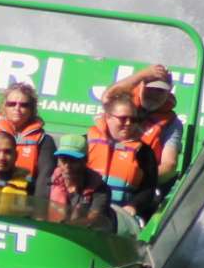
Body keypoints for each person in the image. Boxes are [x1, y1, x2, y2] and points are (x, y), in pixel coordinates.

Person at [103, 63, 183, 183]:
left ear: (169, 92)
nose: (154, 95)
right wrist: (143, 74)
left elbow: (169, 165)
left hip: (139, 182)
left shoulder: (173, 124)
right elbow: (108, 96)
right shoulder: (123, 104)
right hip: (103, 174)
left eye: (160, 91)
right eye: (150, 88)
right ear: (141, 85)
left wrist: (138, 181)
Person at [87, 93, 159, 222]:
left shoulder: (144, 152)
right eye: (123, 118)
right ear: (108, 117)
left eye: (133, 119)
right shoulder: (86, 142)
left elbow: (148, 189)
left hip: (120, 215)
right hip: (86, 209)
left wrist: (133, 206)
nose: (128, 123)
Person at [0, 82, 55, 197]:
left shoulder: (44, 141)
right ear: (4, 107)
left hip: (25, 198)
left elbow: (45, 180)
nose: (17, 108)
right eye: (12, 104)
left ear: (32, 109)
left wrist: (38, 209)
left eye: (24, 105)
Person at [45, 133, 114, 230]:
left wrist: (65, 226)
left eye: (73, 161)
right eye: (63, 160)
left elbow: (94, 219)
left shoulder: (101, 189)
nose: (67, 166)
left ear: (85, 161)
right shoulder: (49, 183)